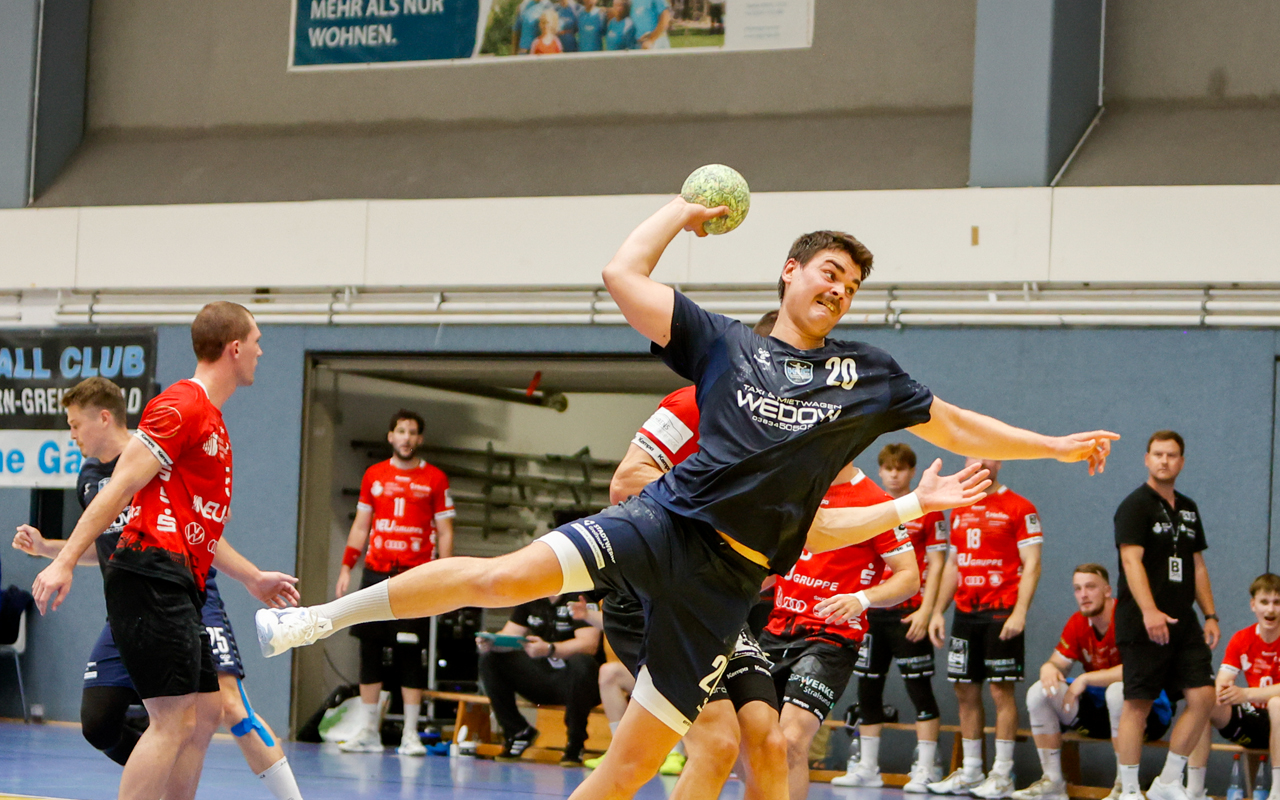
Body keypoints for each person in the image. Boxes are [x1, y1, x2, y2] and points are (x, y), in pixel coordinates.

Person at [256, 196, 1117, 800]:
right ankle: (321, 619)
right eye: (828, 271)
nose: (839, 289)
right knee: (502, 579)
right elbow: (621, 272)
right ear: (789, 274)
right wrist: (682, 211)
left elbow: (958, 424)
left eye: (852, 284)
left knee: (635, 767)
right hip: (662, 523)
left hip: (726, 587)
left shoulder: (864, 375)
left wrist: (1048, 444)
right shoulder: (723, 344)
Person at [30, 302, 299, 800]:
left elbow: (203, 530)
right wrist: (62, 559)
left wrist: (251, 578)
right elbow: (118, 488)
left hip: (183, 581)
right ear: (234, 347)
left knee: (206, 712)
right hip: (151, 574)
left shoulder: (213, 423)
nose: (262, 350)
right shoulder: (182, 404)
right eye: (257, 340)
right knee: (170, 720)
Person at [595, 309, 790, 800]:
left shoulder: (785, 442)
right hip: (649, 596)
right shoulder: (693, 403)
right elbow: (625, 484)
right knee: (714, 744)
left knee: (768, 739)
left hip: (716, 603)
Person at [761, 464, 920, 800]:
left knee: (791, 740)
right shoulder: (794, 487)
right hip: (777, 630)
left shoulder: (875, 501)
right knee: (759, 740)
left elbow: (909, 577)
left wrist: (862, 598)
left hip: (831, 637)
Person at [333, 409, 455, 756]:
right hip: (375, 571)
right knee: (369, 648)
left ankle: (410, 734)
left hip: (415, 575)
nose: (406, 438)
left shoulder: (435, 479)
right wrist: (346, 568)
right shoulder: (374, 475)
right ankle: (368, 729)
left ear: (420, 439)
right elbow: (361, 526)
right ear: (390, 436)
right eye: (400, 431)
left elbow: (445, 530)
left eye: (413, 432)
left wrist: (445, 576)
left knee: (409, 652)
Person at [928, 459, 1043, 799]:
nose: (981, 462)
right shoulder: (960, 506)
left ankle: (1003, 774)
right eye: (973, 456)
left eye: (988, 456)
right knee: (964, 690)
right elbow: (953, 564)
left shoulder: (1020, 507)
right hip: (966, 612)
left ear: (1000, 461)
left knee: (1000, 692)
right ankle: (971, 770)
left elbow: (1033, 564)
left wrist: (1020, 612)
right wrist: (937, 611)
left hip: (1001, 611)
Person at [1113, 431, 1218, 800]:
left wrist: (1210, 613)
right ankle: (1127, 790)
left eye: (1172, 455)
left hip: (1184, 620)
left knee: (1204, 695)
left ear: (1181, 462)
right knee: (1137, 704)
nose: (1164, 461)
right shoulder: (1135, 505)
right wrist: (1149, 611)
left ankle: (1169, 781)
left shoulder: (1188, 508)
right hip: (1142, 620)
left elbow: (1197, 563)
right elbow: (1130, 560)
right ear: (1146, 459)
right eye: (1158, 454)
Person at [839, 442, 949, 791]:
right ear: (881, 471)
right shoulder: (873, 507)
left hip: (908, 613)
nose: (894, 474)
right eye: (888, 468)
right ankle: (868, 766)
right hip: (873, 612)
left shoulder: (929, 512)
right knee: (867, 688)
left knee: (919, 689)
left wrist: (926, 611)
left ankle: (926, 767)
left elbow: (938, 564)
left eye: (901, 468)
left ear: (912, 472)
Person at [1013, 564, 1172, 800]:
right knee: (1039, 692)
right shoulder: (1077, 623)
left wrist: (1086, 678)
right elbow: (1057, 663)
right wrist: (1048, 668)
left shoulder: (1129, 617)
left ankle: (1124, 786)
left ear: (1107, 590)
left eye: (1090, 587)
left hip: (1148, 715)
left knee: (1117, 692)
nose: (1083, 595)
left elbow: (1135, 671)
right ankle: (1053, 782)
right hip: (1102, 716)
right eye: (1077, 589)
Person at [476, 594, 602, 765]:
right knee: (490, 658)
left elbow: (589, 644)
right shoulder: (532, 595)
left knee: (581, 662)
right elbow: (510, 634)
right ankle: (518, 732)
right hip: (545, 678)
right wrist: (492, 642)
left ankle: (575, 744)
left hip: (583, 685)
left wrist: (550, 649)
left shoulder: (579, 596)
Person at [1187, 573, 1280, 800]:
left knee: (1277, 703)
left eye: (1277, 603)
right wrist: (1220, 691)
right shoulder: (1242, 638)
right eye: (1264, 602)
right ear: (1253, 605)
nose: (1271, 609)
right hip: (1255, 719)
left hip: (1278, 714)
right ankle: (1194, 791)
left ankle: (1277, 792)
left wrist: (1246, 693)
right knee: (1205, 700)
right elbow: (1222, 681)